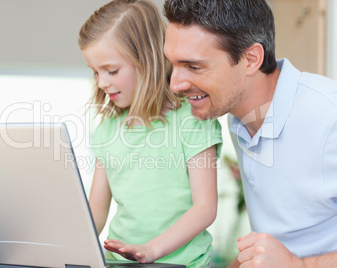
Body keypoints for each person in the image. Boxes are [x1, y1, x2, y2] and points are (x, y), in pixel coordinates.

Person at [163, 0, 337, 267]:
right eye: (173, 64)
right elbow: (278, 241)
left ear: (251, 59)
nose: (175, 84)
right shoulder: (238, 115)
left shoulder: (329, 117)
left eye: (194, 66)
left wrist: (299, 265)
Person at [78, 0, 222, 267]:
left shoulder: (192, 120)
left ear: (147, 60)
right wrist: (69, 248)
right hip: (120, 262)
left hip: (183, 264)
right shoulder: (107, 129)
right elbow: (96, 208)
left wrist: (151, 249)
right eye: (95, 72)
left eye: (111, 71)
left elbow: (205, 208)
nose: (102, 82)